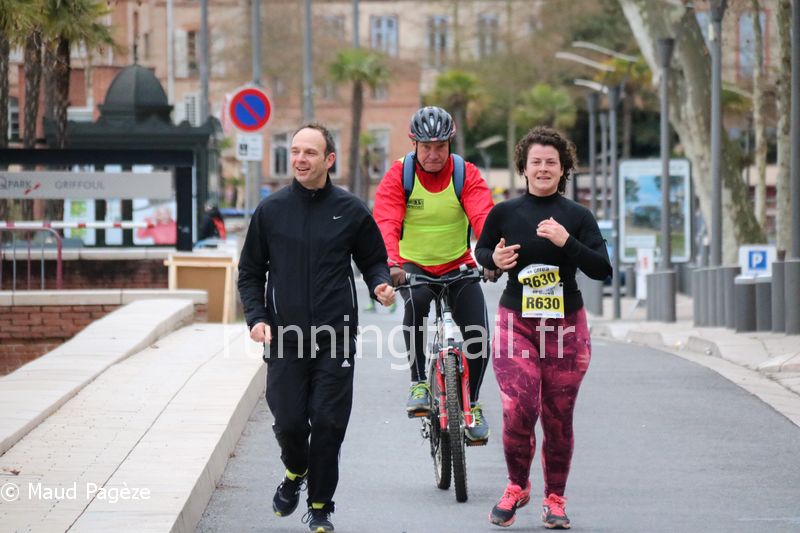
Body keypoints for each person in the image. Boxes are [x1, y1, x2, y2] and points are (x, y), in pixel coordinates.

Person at [238, 123, 395, 533]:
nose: (299, 159)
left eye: (309, 152)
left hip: (335, 337)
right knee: (290, 422)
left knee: (328, 424)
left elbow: (373, 260)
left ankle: (321, 507)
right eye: (295, 151)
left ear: (329, 159)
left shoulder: (351, 210)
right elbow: (250, 272)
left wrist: (379, 283)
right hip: (285, 338)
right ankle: (295, 470)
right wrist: (257, 318)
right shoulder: (271, 211)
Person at [475, 126, 611, 529]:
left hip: (566, 327)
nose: (543, 168)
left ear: (563, 168)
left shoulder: (577, 217)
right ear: (524, 168)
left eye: (551, 162)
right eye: (536, 162)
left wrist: (567, 241)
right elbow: (483, 250)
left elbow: (601, 268)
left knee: (557, 415)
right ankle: (517, 486)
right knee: (519, 407)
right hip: (516, 322)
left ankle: (555, 499)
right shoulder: (505, 213)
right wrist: (494, 260)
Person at [373, 106, 496, 443]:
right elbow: (386, 220)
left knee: (479, 332)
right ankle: (418, 383)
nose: (433, 154)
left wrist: (490, 256)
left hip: (458, 266)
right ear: (414, 144)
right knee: (415, 305)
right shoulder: (399, 176)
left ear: (449, 144)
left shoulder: (465, 173)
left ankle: (472, 404)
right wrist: (392, 264)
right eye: (426, 147)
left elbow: (483, 216)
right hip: (412, 268)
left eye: (440, 146)